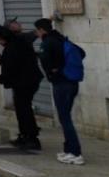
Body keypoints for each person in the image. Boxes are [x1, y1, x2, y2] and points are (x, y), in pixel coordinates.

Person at [36, 18, 85, 165]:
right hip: (73, 82)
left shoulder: (47, 43)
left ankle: (75, 153)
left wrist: (54, 72)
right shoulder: (62, 38)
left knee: (65, 118)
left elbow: (46, 61)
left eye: (37, 31)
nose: (37, 33)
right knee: (66, 117)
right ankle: (68, 149)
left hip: (61, 84)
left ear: (41, 30)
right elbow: (82, 53)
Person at [0, 24, 42, 150]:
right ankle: (25, 135)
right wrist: (1, 60)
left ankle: (30, 138)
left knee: (23, 110)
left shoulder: (11, 47)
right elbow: (14, 61)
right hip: (30, 80)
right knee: (23, 109)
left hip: (24, 82)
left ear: (1, 37)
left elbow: (12, 68)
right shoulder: (18, 42)